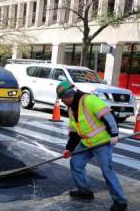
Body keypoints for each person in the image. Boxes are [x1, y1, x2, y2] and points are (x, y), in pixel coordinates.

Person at [57, 81, 127, 211]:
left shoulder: (89, 100)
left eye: (62, 99)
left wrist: (114, 134)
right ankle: (85, 191)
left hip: (102, 142)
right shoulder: (72, 108)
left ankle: (120, 201)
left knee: (107, 170)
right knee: (76, 163)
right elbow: (74, 132)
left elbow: (109, 115)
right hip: (87, 142)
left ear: (67, 96)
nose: (62, 101)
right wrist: (69, 149)